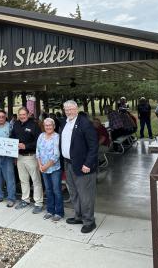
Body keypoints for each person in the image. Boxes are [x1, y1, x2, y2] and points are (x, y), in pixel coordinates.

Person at [60, 100, 99, 234]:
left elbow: (94, 146)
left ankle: (89, 221)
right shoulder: (64, 122)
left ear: (76, 109)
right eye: (66, 110)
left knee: (85, 195)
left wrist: (88, 164)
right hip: (68, 164)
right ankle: (79, 216)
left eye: (71, 109)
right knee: (74, 193)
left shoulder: (85, 123)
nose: (69, 112)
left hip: (83, 166)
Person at [11, 107, 44, 214]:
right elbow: (12, 138)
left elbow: (39, 142)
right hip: (20, 157)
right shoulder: (16, 124)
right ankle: (25, 200)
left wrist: (26, 146)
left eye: (24, 114)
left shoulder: (34, 125)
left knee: (36, 181)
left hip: (31, 156)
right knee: (23, 180)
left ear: (28, 114)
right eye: (20, 114)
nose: (22, 116)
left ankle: (38, 203)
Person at [37, 118, 64, 222]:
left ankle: (59, 212)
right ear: (44, 126)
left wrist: (45, 166)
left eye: (50, 125)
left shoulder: (57, 137)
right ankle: (50, 210)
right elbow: (37, 151)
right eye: (46, 125)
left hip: (54, 168)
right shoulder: (41, 136)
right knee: (48, 190)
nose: (48, 127)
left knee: (56, 190)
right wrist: (40, 165)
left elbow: (56, 155)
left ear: (54, 126)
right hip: (43, 168)